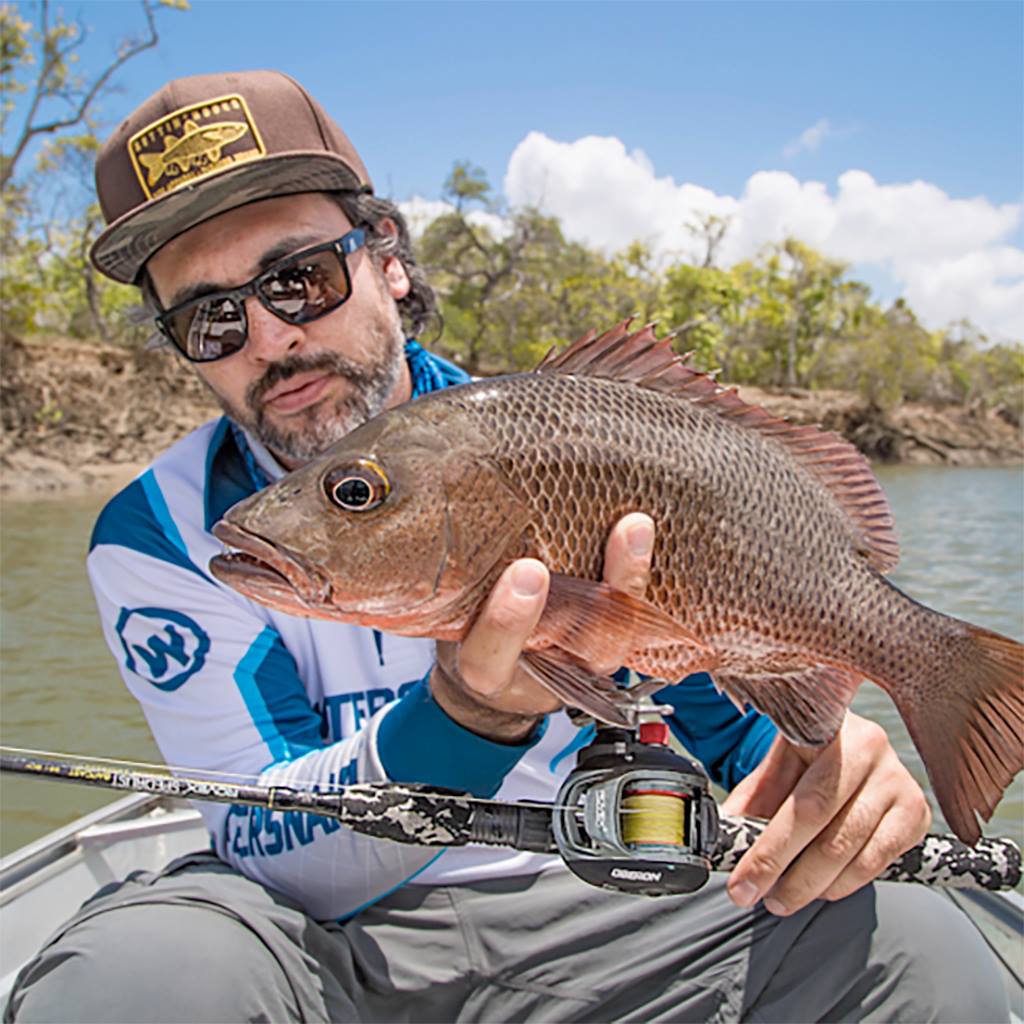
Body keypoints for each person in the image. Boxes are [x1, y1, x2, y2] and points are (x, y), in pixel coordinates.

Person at [4, 71, 1008, 1023]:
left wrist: (835, 770)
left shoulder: (558, 441)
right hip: (335, 944)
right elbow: (273, 848)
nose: (268, 335)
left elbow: (740, 735)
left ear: (385, 259)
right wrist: (468, 715)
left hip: (630, 911)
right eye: (212, 317)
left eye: (299, 278)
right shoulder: (163, 537)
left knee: (915, 941)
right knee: (141, 975)